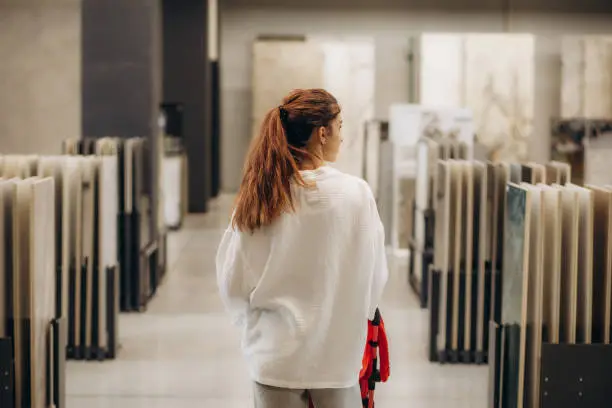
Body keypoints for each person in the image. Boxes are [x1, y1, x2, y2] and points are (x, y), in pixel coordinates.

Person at [216, 88, 389, 408]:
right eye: (340, 127)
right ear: (322, 133)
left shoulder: (261, 196)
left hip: (274, 361)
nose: (342, 137)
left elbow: (233, 283)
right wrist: (348, 320)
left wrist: (253, 328)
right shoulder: (356, 195)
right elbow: (375, 278)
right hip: (336, 363)